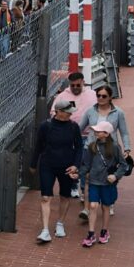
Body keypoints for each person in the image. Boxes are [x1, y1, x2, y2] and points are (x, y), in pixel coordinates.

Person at [30, 97, 83, 244]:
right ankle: (45, 229)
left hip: (67, 166)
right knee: (46, 197)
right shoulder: (45, 126)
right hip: (48, 165)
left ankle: (60, 223)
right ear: (58, 112)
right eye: (67, 112)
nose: (70, 115)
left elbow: (79, 148)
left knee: (65, 196)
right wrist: (33, 165)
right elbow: (38, 147)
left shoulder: (74, 127)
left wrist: (76, 165)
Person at [78, 122, 125, 247]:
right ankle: (91, 233)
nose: (96, 133)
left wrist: (115, 176)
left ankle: (104, 231)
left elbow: (123, 165)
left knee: (105, 207)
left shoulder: (115, 147)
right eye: (96, 131)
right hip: (93, 182)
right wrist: (78, 174)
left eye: (99, 131)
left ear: (106, 133)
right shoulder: (92, 147)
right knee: (93, 206)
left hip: (107, 183)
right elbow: (86, 165)